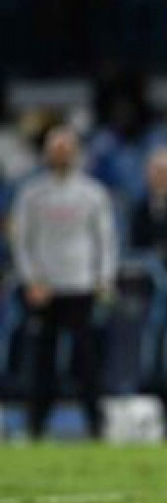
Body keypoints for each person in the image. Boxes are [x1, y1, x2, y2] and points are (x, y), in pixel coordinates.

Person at [10, 125, 117, 440]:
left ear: (76, 153)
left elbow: (105, 240)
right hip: (45, 289)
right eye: (55, 149)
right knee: (41, 361)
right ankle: (36, 425)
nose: (61, 154)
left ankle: (96, 425)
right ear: (46, 154)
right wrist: (31, 280)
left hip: (82, 286)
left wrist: (104, 278)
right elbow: (22, 241)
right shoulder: (31, 194)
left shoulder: (92, 192)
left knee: (86, 361)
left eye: (66, 149)